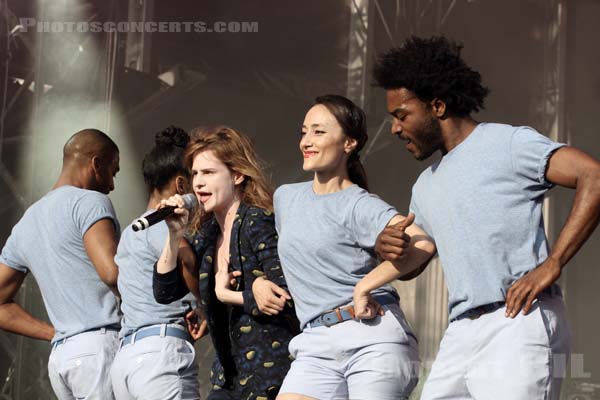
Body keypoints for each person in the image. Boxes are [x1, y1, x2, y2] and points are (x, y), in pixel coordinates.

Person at [373, 35, 600, 400]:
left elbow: (594, 176)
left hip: (517, 321)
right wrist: (391, 248)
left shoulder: (507, 143)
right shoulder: (425, 186)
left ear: (438, 106)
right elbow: (415, 257)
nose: (395, 129)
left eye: (402, 116)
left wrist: (553, 262)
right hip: (460, 333)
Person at [274, 95, 436, 400]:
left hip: (372, 337)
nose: (306, 141)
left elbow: (423, 243)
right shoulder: (285, 198)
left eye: (319, 132)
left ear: (349, 143)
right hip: (314, 343)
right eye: (304, 131)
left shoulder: (360, 204)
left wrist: (365, 286)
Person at [153, 126, 299, 400]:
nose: (197, 183)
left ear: (237, 174)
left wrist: (227, 295)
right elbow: (164, 292)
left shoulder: (258, 222)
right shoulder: (207, 235)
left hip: (269, 375)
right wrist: (174, 235)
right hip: (228, 378)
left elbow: (286, 297)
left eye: (208, 173)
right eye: (195, 174)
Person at [0, 129, 122, 400]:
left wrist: (55, 333)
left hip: (62, 358)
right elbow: (113, 274)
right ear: (96, 164)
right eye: (113, 171)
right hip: (98, 350)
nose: (112, 185)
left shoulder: (26, 222)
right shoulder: (91, 202)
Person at [110, 126, 206, 400]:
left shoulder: (130, 232)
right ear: (181, 185)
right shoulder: (164, 226)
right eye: (196, 176)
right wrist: (203, 305)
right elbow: (186, 258)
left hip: (127, 358)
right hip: (160, 355)